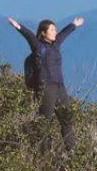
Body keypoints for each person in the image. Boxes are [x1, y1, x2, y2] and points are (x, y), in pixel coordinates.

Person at [8, 16, 85, 152]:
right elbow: (29, 36)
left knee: (66, 120)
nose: (55, 32)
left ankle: (73, 152)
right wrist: (17, 26)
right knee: (45, 123)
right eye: (52, 30)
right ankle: (44, 156)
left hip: (60, 87)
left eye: (55, 29)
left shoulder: (56, 45)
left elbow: (63, 34)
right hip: (46, 88)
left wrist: (74, 24)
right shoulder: (38, 47)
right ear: (44, 33)